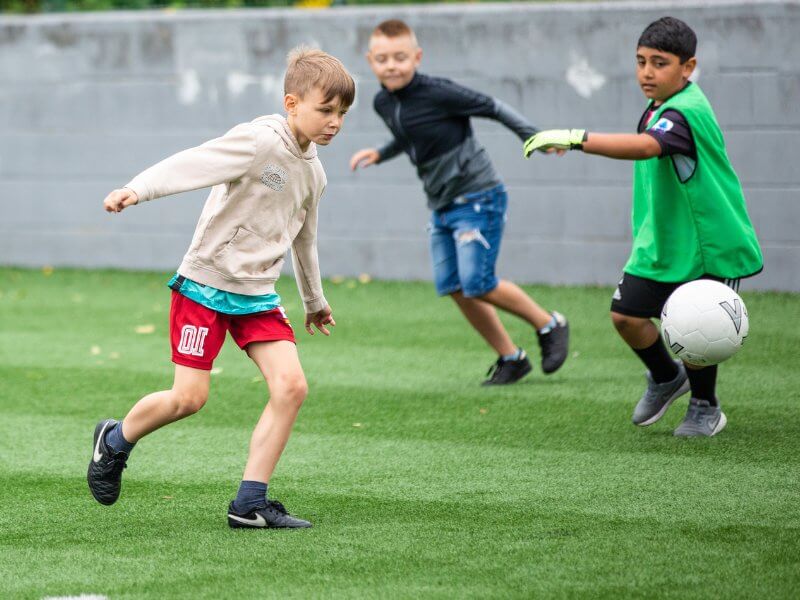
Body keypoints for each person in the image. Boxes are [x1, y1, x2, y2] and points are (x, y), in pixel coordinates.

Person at [87, 47, 355, 527]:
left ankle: (250, 504)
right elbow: (191, 163)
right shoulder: (257, 142)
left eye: (342, 113)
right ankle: (114, 440)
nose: (334, 122)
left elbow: (305, 237)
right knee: (189, 399)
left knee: (291, 386)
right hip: (205, 286)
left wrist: (315, 300)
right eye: (325, 110)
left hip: (257, 296)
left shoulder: (315, 173)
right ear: (292, 103)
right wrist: (137, 189)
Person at [524, 17, 763, 436]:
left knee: (699, 325)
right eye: (640, 62)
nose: (647, 72)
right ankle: (666, 377)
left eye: (660, 63)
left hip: (706, 243)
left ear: (687, 67)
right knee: (625, 316)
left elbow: (646, 147)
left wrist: (578, 137)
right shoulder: (660, 105)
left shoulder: (685, 112)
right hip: (665, 241)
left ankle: (706, 407)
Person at [350, 19, 569, 386]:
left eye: (400, 57)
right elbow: (411, 136)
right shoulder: (382, 102)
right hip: (441, 205)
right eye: (383, 58)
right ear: (371, 61)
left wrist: (535, 138)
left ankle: (550, 324)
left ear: (417, 57)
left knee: (478, 282)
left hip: (478, 196)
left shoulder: (439, 92)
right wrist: (381, 152)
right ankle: (511, 358)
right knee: (453, 285)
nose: (392, 65)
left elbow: (494, 107)